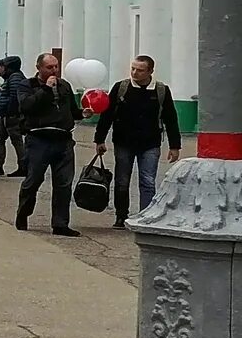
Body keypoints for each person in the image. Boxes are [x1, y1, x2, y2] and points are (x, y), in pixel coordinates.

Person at [93, 54, 183, 228]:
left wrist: (175, 145)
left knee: (148, 181)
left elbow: (170, 118)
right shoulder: (121, 87)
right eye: (133, 68)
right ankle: (121, 216)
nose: (135, 72)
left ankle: (146, 216)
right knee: (122, 181)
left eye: (140, 70)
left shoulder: (161, 90)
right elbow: (107, 114)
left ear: (150, 71)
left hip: (150, 143)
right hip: (123, 142)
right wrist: (99, 139)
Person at [15, 51, 81, 237]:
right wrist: (45, 89)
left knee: (64, 184)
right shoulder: (27, 85)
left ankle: (60, 223)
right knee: (33, 180)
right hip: (39, 139)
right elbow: (27, 106)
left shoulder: (65, 86)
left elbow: (72, 110)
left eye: (56, 66)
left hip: (63, 140)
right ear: (39, 68)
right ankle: (23, 214)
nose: (54, 70)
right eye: (49, 67)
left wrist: (82, 113)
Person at [0, 53, 29, 177]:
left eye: (1, 66)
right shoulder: (11, 78)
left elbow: (15, 96)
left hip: (11, 115)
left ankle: (23, 166)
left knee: (17, 141)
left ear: (8, 67)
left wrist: (10, 112)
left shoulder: (15, 77)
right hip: (5, 115)